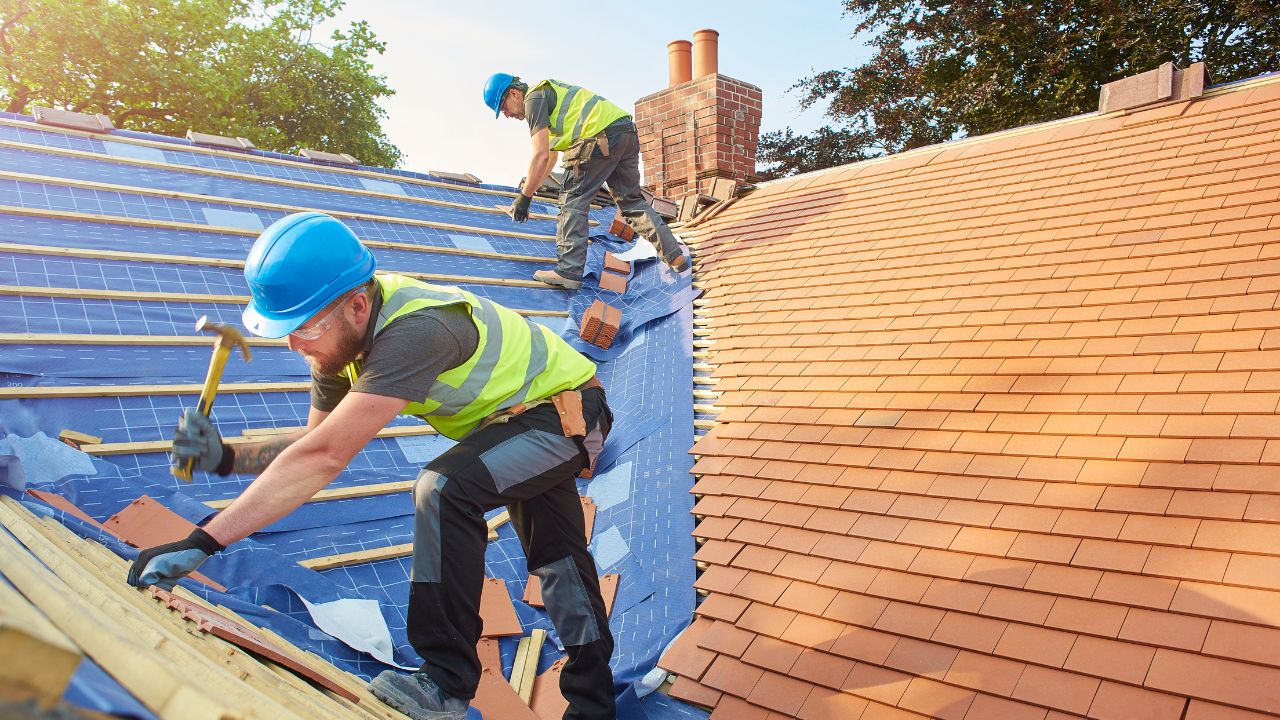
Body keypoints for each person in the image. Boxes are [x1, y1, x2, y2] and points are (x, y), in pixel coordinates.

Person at [127, 212, 618, 720]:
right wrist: (227, 457)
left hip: (567, 414)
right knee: (558, 560)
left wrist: (203, 541)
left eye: (305, 328)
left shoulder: (416, 332)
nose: (298, 345)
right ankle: (595, 706)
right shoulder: (336, 348)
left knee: (444, 489)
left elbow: (322, 459)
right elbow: (313, 446)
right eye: (286, 332)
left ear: (357, 305)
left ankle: (446, 683)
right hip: (515, 426)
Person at [483, 72, 687, 290]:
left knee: (572, 201)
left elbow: (539, 154)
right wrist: (529, 193)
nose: (506, 115)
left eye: (503, 107)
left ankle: (568, 271)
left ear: (514, 93)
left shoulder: (533, 99)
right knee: (632, 203)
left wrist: (524, 198)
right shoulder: (549, 101)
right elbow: (549, 158)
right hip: (625, 133)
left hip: (597, 137)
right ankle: (675, 256)